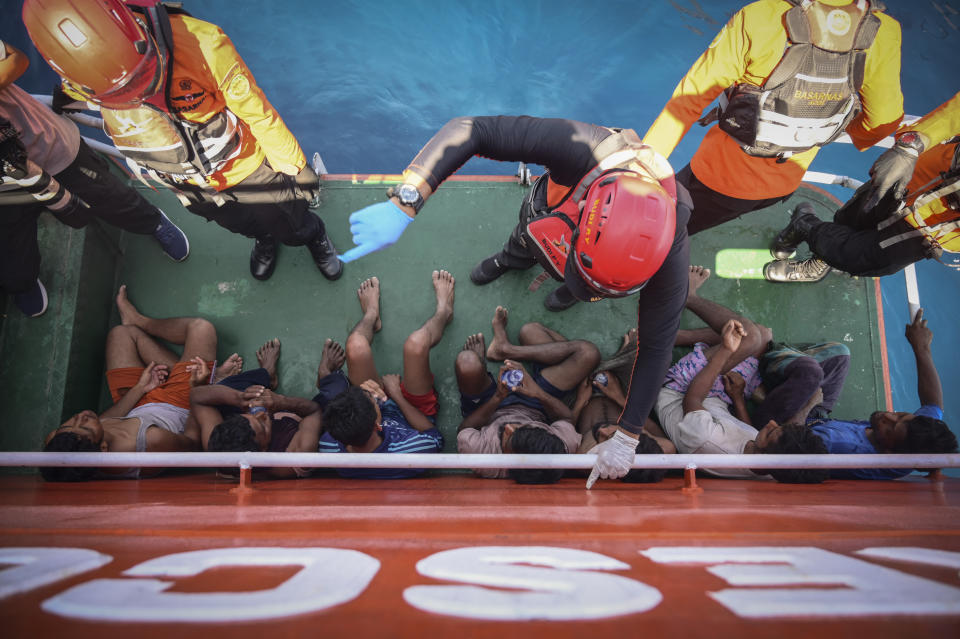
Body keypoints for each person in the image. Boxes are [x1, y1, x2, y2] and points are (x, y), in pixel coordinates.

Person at [338, 115, 691, 487]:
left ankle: (568, 290)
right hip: (545, 223)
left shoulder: (672, 245)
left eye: (600, 291)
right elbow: (474, 131)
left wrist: (629, 435)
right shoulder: (583, 149)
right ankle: (508, 260)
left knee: (573, 291)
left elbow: (656, 349)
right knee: (521, 245)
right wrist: (406, 201)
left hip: (577, 259)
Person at [22, 0, 341, 282]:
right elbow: (73, 93)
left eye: (140, 78)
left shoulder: (202, 45)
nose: (137, 95)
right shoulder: (81, 77)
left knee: (287, 218)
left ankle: (311, 235)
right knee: (235, 222)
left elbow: (258, 113)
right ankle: (263, 238)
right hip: (185, 180)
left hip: (240, 164)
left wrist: (296, 166)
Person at [643, 0, 904, 241]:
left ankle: (640, 274)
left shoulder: (761, 16)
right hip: (785, 180)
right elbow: (883, 121)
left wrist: (640, 171)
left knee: (659, 229)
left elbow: (688, 100)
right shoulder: (884, 32)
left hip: (718, 179)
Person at [0, 38, 188, 317]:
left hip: (51, 150)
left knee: (113, 198)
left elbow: (16, 59)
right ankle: (22, 282)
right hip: (7, 190)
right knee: (12, 252)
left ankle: (153, 222)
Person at [41, 285, 247, 481]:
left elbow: (105, 421)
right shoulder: (150, 443)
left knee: (121, 334)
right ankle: (145, 324)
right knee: (201, 329)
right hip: (180, 404)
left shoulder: (62, 445)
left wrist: (141, 388)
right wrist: (198, 389)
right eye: (84, 427)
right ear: (104, 449)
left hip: (137, 402)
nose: (80, 417)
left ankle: (209, 374)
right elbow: (193, 442)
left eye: (68, 424)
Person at [765, 91, 960, 281]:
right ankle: (820, 252)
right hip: (922, 177)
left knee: (869, 259)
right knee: (856, 219)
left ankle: (805, 225)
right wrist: (911, 146)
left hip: (943, 230)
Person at [659, 316, 829, 483]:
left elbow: (693, 398)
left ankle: (683, 309)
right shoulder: (772, 469)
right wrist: (738, 397)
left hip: (679, 391)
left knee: (752, 336)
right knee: (763, 336)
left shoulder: (707, 439)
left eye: (770, 432)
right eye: (777, 426)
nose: (771, 423)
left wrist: (726, 350)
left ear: (765, 459)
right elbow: (748, 431)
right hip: (717, 400)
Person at [316, 272, 452, 478]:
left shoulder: (331, 446)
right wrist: (396, 394)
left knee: (355, 346)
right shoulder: (411, 453)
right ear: (377, 425)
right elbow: (434, 436)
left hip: (370, 415)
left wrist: (363, 392)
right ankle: (444, 312)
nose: (372, 394)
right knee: (416, 344)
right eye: (371, 399)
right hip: (414, 413)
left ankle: (371, 315)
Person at [809, 308, 956, 479]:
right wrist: (921, 347)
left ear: (889, 453)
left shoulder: (839, 445)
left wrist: (807, 404)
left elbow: (786, 438)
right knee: (839, 356)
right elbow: (933, 404)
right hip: (820, 419)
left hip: (794, 423)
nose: (888, 416)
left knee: (808, 372)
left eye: (889, 429)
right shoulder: (915, 440)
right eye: (900, 416)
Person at [454, 308, 597, 483]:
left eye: (507, 438)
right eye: (526, 427)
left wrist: (498, 397)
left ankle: (504, 354)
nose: (509, 427)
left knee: (467, 361)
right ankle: (506, 350)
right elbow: (566, 417)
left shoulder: (481, 458)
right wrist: (537, 393)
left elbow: (465, 428)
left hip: (488, 408)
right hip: (536, 403)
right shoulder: (557, 450)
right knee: (587, 353)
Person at [193, 338, 324, 480]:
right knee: (328, 403)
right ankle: (325, 377)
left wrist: (239, 398)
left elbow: (196, 397)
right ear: (262, 451)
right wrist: (283, 402)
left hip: (256, 404)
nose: (261, 414)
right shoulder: (295, 458)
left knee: (230, 388)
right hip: (297, 412)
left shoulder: (219, 450)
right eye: (262, 426)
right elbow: (314, 411)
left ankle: (267, 374)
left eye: (249, 416)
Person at [573, 331, 674, 484]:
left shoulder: (585, 461)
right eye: (616, 435)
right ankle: (619, 358)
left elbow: (565, 423)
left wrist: (580, 401)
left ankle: (612, 359)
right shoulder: (662, 450)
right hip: (624, 392)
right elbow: (653, 431)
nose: (602, 430)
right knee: (643, 343)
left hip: (578, 390)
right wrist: (618, 396)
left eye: (602, 439)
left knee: (533, 333)